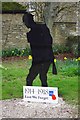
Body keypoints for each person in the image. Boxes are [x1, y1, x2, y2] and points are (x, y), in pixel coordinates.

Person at [22, 12, 57, 87]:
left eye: (25, 22)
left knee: (30, 78)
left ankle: (31, 94)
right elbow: (50, 41)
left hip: (41, 58)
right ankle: (42, 94)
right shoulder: (42, 28)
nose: (25, 24)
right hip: (46, 57)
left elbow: (46, 43)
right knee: (43, 76)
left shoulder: (34, 32)